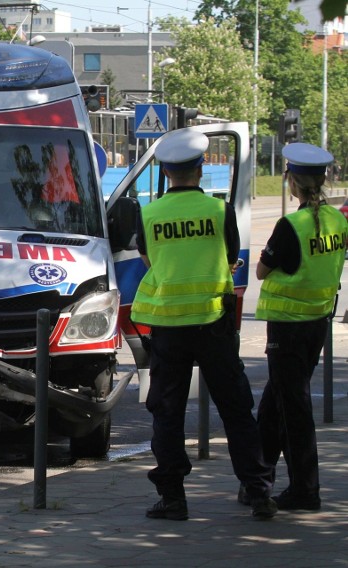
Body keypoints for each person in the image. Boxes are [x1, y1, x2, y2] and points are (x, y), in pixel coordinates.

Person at [131, 129, 277, 520]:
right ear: (200, 169)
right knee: (236, 409)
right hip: (214, 322)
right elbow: (230, 256)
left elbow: (148, 261)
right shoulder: (219, 211)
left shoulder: (148, 214)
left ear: (165, 171)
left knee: (167, 413)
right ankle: (259, 491)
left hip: (169, 327)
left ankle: (173, 499)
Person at [251, 143, 347, 511]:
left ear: (292, 181)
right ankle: (258, 479)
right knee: (276, 402)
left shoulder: (291, 225)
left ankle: (305, 490)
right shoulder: (338, 219)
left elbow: (262, 271)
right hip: (317, 323)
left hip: (288, 326)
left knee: (292, 408)